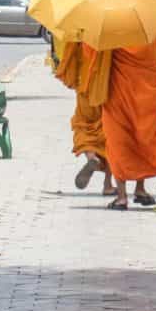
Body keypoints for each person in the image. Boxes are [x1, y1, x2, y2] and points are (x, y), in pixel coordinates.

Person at [101, 37, 156, 210]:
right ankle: (140, 189)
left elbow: (97, 54)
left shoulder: (114, 27)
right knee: (144, 134)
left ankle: (121, 197)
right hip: (149, 90)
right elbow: (155, 61)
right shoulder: (149, 29)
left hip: (119, 88)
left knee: (118, 138)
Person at [54, 38, 115, 196]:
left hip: (85, 89)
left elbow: (69, 60)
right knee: (109, 134)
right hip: (108, 89)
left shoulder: (80, 33)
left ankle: (91, 156)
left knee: (83, 125)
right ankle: (108, 185)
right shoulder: (114, 34)